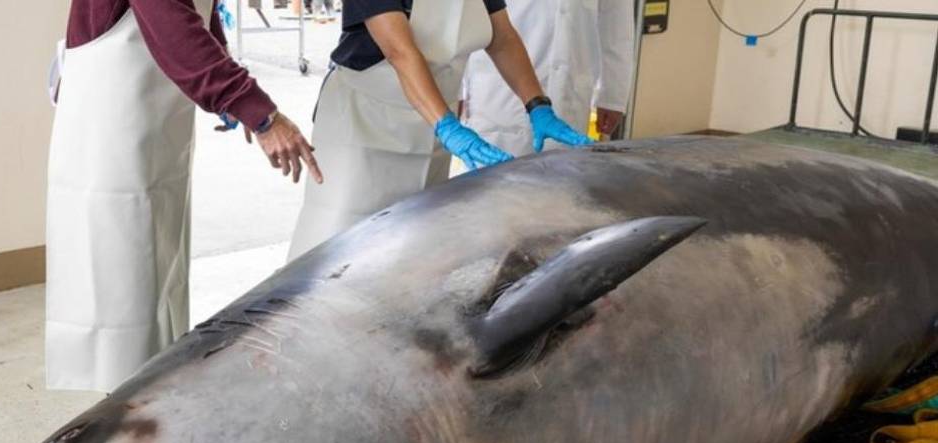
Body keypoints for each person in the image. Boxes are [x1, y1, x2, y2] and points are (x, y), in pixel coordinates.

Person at [46, 0, 322, 393]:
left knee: (157, 263)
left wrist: (225, 70)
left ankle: (146, 394)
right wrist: (258, 112)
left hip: (148, 117)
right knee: (120, 274)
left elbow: (197, 13)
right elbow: (173, 27)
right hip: (110, 119)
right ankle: (123, 413)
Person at [287, 0, 589, 261]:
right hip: (364, 125)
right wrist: (447, 126)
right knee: (336, 246)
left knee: (410, 247)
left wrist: (537, 105)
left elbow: (503, 37)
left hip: (432, 123)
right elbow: (399, 50)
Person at [462, 0, 634, 155]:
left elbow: (617, 23)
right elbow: (464, 13)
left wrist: (612, 96)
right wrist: (458, 91)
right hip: (499, 87)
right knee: (491, 179)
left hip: (570, 86)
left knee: (562, 180)